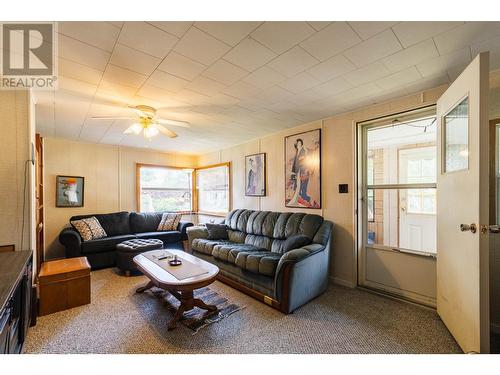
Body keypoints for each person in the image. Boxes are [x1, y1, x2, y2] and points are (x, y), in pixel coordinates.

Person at [291, 138, 311, 204]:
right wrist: (293, 172)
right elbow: (295, 163)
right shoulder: (297, 152)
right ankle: (301, 198)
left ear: (301, 144)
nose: (298, 144)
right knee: (298, 185)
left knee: (303, 184)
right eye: (297, 143)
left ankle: (305, 197)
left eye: (299, 143)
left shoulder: (304, 150)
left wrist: (304, 157)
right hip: (298, 171)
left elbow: (306, 159)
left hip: (304, 170)